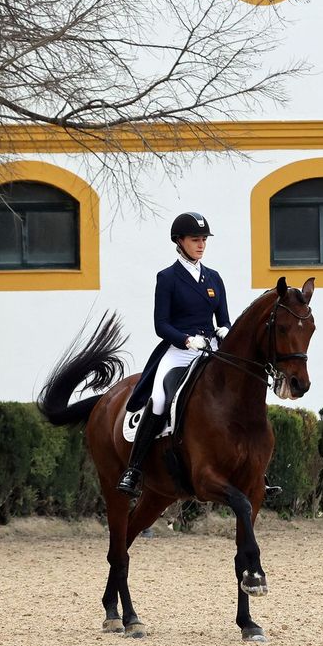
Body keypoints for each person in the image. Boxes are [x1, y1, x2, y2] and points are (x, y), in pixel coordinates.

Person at [117, 211, 231, 497]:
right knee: (159, 399)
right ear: (179, 241)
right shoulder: (167, 278)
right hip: (179, 351)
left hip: (210, 350)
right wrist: (186, 340)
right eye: (195, 239)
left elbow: (224, 319)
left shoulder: (214, 278)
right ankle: (134, 469)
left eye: (204, 239)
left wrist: (226, 331)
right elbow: (161, 325)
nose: (201, 245)